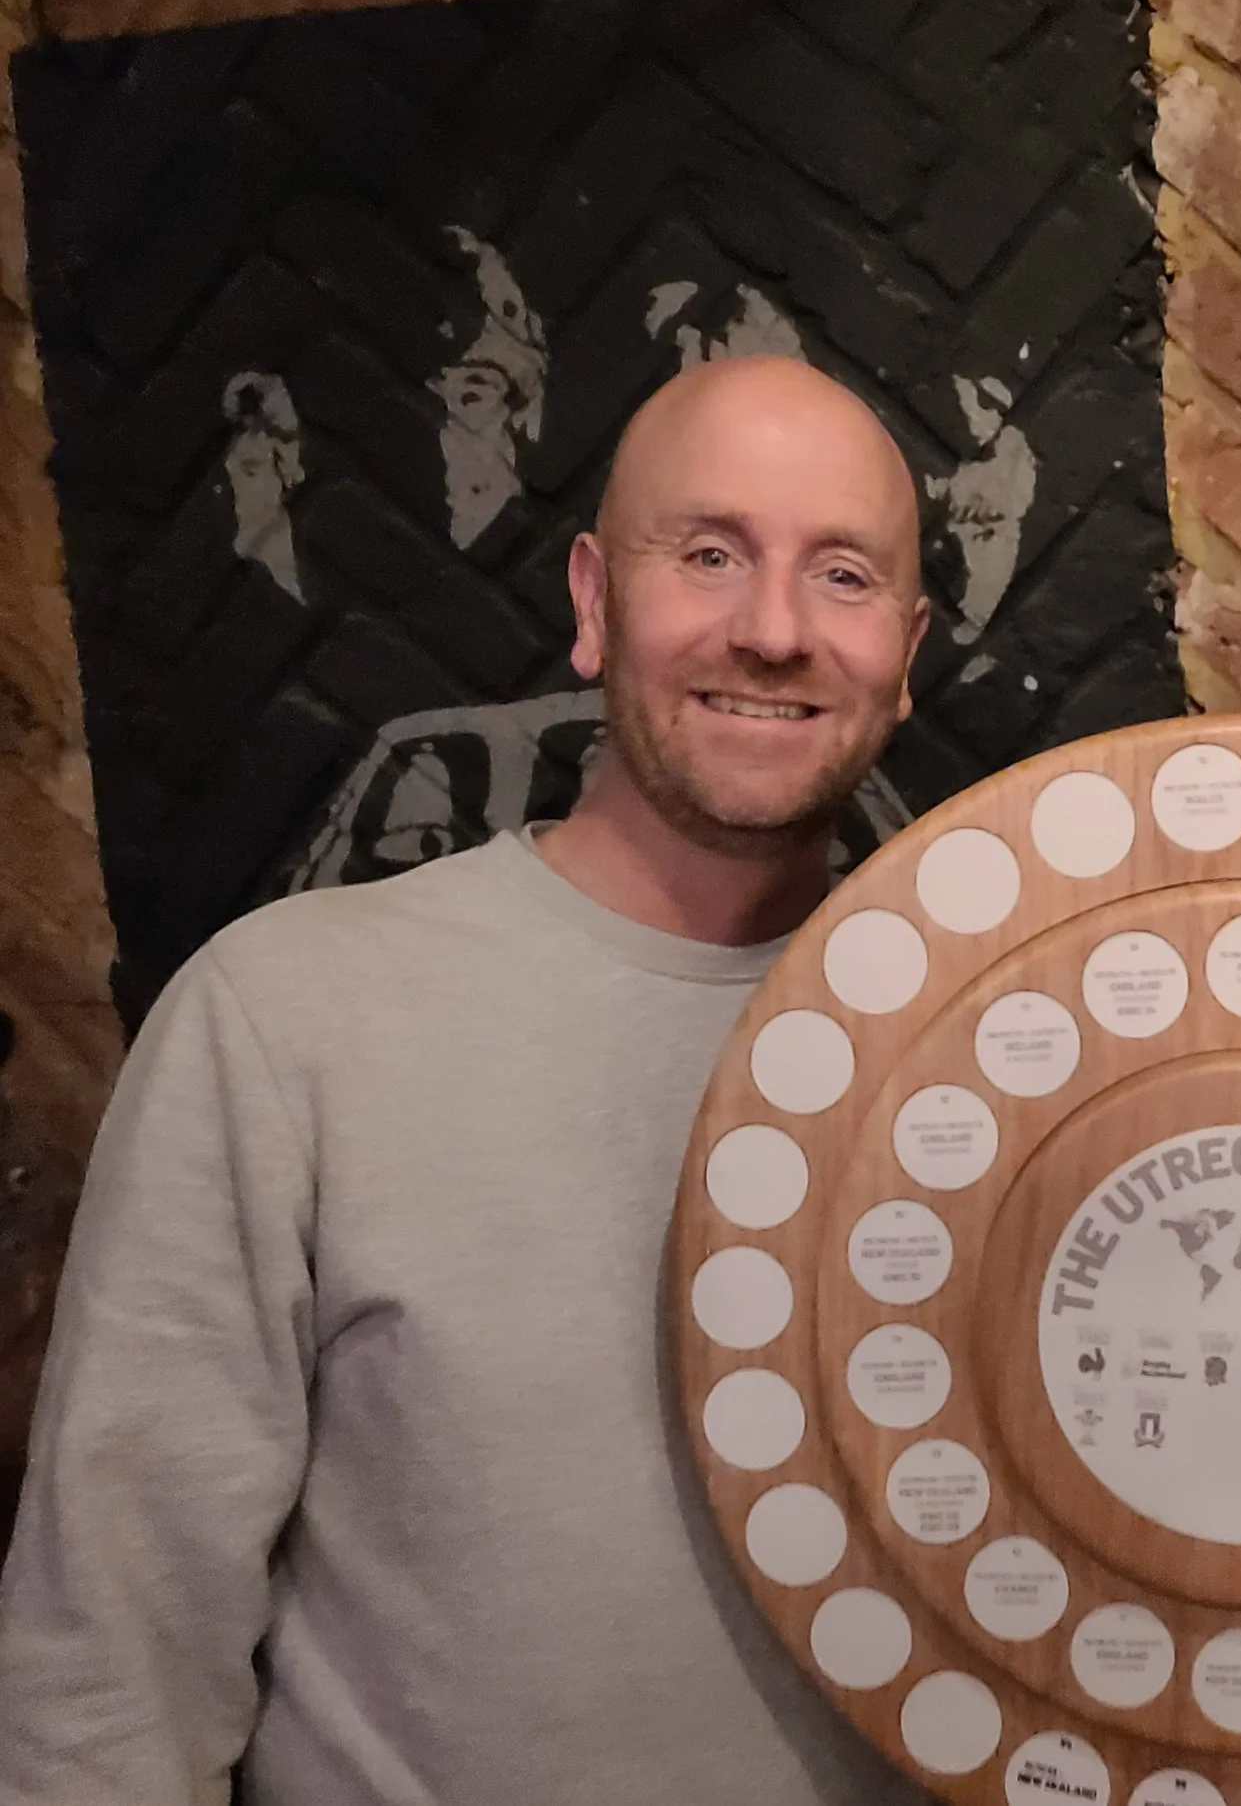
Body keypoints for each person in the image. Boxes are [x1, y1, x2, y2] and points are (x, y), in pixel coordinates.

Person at [0, 356, 934, 1805]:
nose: (772, 630)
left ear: (909, 646)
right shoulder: (287, 1018)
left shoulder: (1000, 1047)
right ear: (592, 600)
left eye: (845, 575)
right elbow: (110, 1658)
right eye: (708, 554)